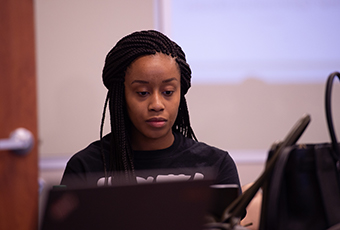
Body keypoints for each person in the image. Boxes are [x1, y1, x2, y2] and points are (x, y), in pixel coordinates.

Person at [60, 30, 241, 189]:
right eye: (142, 92)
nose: (156, 104)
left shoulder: (215, 164)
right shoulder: (85, 167)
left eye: (168, 92)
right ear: (121, 96)